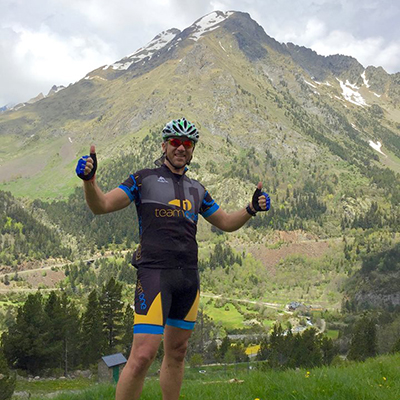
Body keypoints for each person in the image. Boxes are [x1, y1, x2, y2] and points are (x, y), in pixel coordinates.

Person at [76, 117, 270, 400]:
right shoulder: (142, 179)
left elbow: (226, 222)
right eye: (176, 142)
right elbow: (102, 205)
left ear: (193, 150)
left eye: (187, 144)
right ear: (164, 146)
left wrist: (250, 208)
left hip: (188, 278)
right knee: (142, 356)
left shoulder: (198, 189)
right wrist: (89, 182)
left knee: (178, 352)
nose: (181, 148)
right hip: (154, 274)